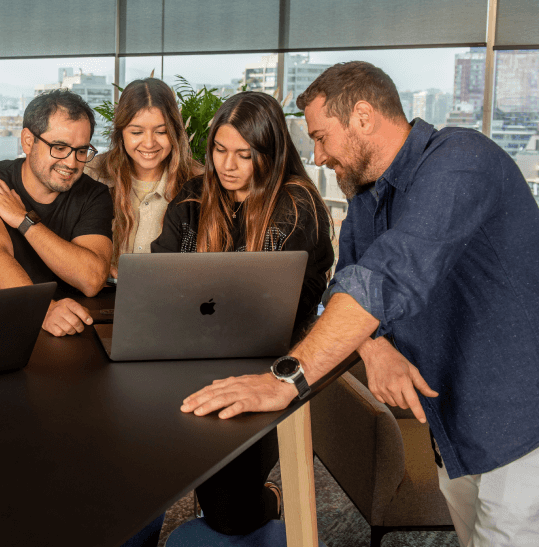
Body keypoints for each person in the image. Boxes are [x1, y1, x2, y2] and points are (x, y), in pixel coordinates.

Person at [181, 61, 539, 547]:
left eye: (322, 137)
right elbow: (343, 286)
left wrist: (286, 381)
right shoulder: (369, 199)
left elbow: (388, 277)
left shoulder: (461, 160)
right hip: (453, 425)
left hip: (520, 422)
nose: (319, 155)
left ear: (364, 117)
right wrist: (375, 347)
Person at [154, 90, 334, 537]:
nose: (227, 165)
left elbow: (284, 315)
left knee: (229, 517)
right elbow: (158, 278)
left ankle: (270, 498)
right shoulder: (194, 198)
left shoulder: (296, 207)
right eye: (218, 150)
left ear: (269, 155)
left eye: (243, 154)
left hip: (265, 365)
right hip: (192, 355)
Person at [0, 89, 114, 337]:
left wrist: (25, 221)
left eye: (81, 151)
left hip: (56, 329)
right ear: (27, 141)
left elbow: (91, 279)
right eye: (59, 147)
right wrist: (43, 311)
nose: (71, 163)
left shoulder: (94, 195)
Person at [85, 77, 200, 278]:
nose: (149, 143)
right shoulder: (92, 174)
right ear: (121, 133)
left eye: (161, 131)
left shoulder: (199, 183)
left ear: (175, 132)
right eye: (137, 132)